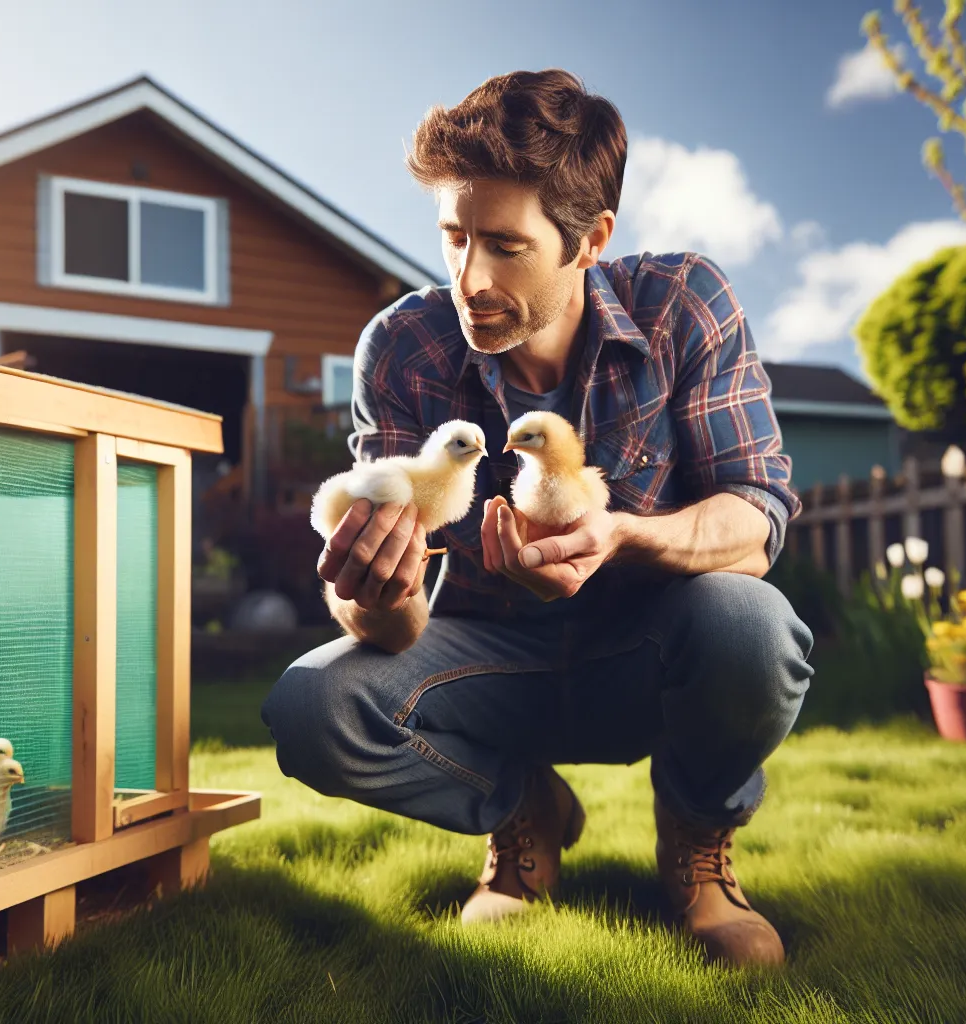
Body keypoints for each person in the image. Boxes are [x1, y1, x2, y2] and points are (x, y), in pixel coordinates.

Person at [261, 68, 814, 967]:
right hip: (486, 658)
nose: (469, 278)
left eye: (506, 247)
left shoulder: (683, 306)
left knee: (753, 625)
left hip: (651, 651)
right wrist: (375, 590)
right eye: (453, 238)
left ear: (589, 239)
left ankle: (696, 841)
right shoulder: (402, 346)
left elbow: (756, 518)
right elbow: (389, 628)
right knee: (312, 704)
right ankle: (525, 812)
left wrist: (623, 535)